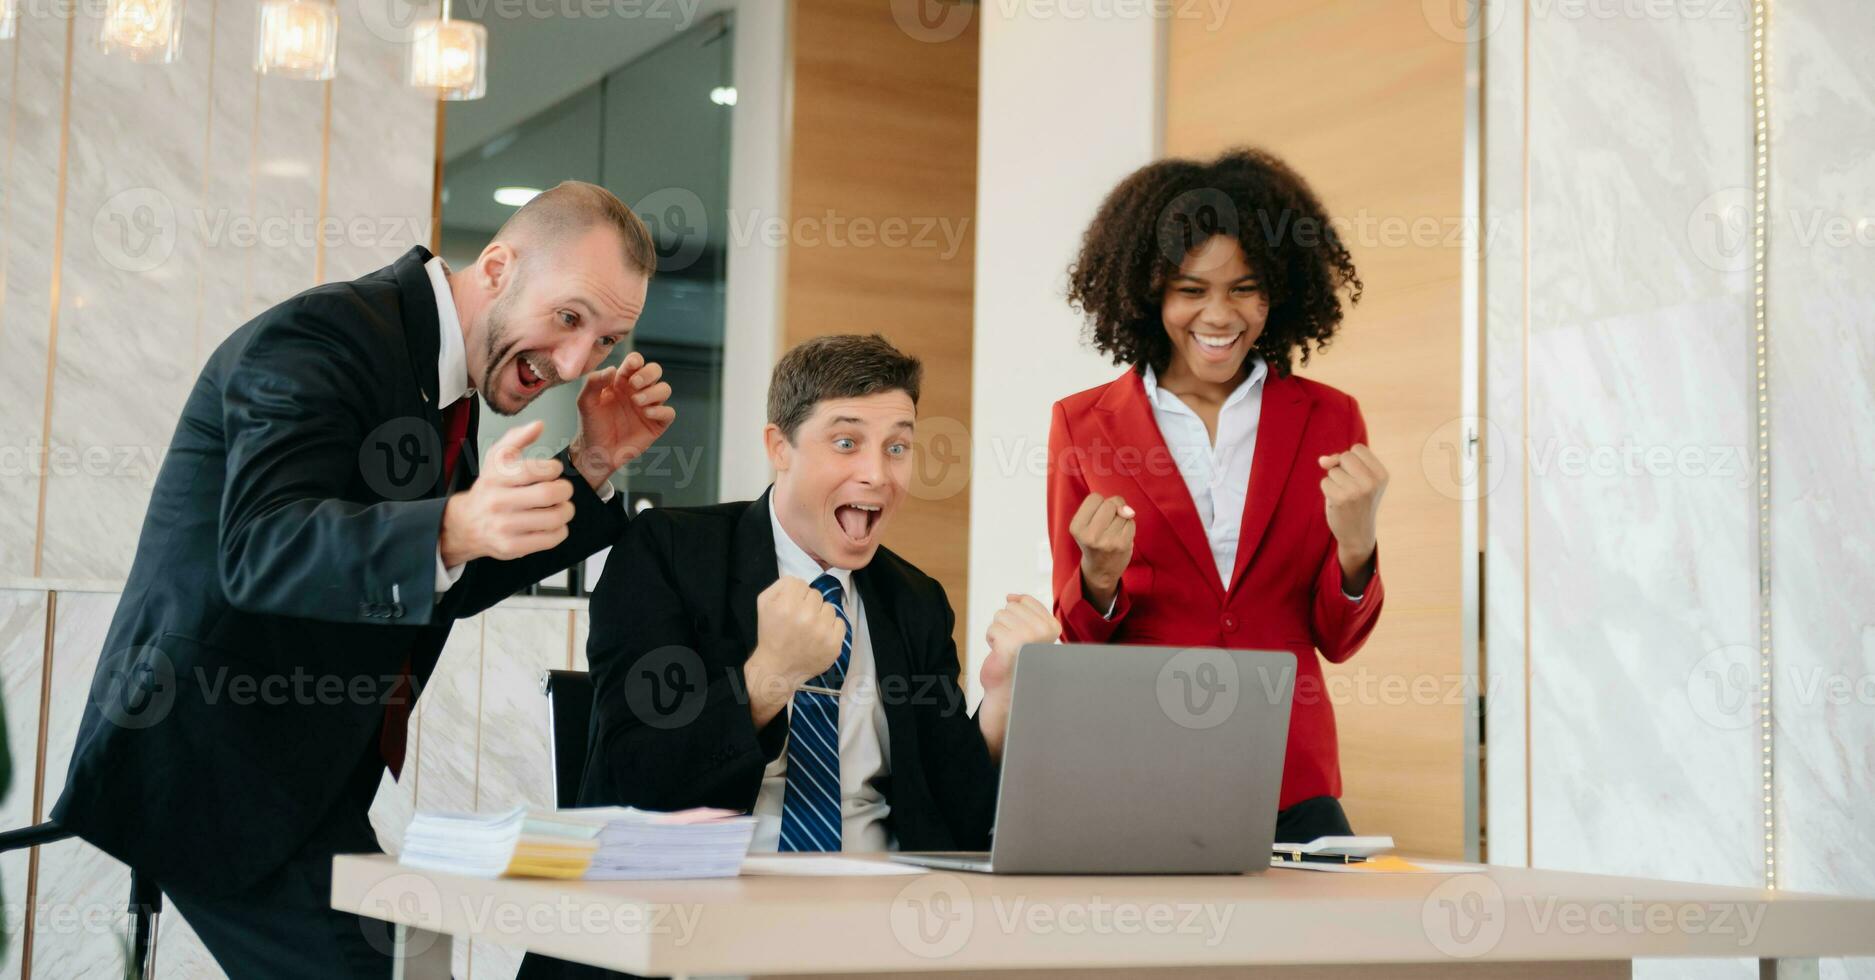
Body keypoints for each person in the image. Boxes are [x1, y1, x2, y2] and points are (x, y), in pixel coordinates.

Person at [51, 181, 676, 978]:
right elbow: (262, 547)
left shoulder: (444, 376)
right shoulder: (326, 336)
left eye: (606, 342)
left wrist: (588, 465)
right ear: (496, 266)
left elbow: (442, 579)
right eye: (569, 318)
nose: (574, 364)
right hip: (207, 762)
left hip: (304, 780)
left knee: (413, 960)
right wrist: (452, 525)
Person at [518, 333, 1059, 980]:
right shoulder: (669, 553)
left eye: (898, 447)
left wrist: (1001, 696)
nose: (877, 473)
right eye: (845, 441)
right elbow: (640, 778)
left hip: (876, 937)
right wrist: (766, 678)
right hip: (696, 929)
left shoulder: (911, 600)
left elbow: (955, 822)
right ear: (779, 446)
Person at [1047, 148, 1390, 843]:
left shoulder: (1330, 418)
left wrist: (1356, 542)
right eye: (1189, 288)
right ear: (1148, 292)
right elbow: (1079, 633)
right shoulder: (1081, 425)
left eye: (1244, 287)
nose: (1219, 313)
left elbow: (1338, 639)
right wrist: (1098, 579)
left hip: (1289, 770)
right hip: (1141, 763)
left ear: (1279, 292)